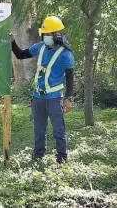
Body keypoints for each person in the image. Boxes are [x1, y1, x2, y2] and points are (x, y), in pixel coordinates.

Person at [9, 16, 74, 164]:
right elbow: (20, 55)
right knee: (39, 131)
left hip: (54, 98)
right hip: (38, 97)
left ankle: (62, 159)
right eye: (44, 34)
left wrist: (68, 98)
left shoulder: (66, 54)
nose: (45, 36)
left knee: (58, 131)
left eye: (48, 34)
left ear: (57, 35)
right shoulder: (40, 47)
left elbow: (70, 79)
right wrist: (12, 42)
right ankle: (38, 157)